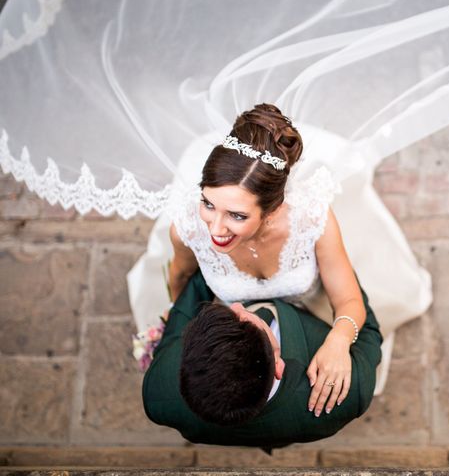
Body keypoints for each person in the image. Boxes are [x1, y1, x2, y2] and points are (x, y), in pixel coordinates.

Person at [167, 103, 370, 415]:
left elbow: (349, 301)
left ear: (272, 210)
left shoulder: (313, 221)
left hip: (310, 317)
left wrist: (339, 341)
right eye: (208, 203)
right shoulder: (187, 231)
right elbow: (179, 279)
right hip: (241, 339)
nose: (216, 228)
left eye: (236, 215)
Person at [142, 267, 382, 447]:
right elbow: (369, 330)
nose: (235, 306)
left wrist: (212, 267)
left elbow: (180, 316)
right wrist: (336, 271)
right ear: (278, 366)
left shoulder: (158, 394)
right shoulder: (352, 392)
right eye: (243, 319)